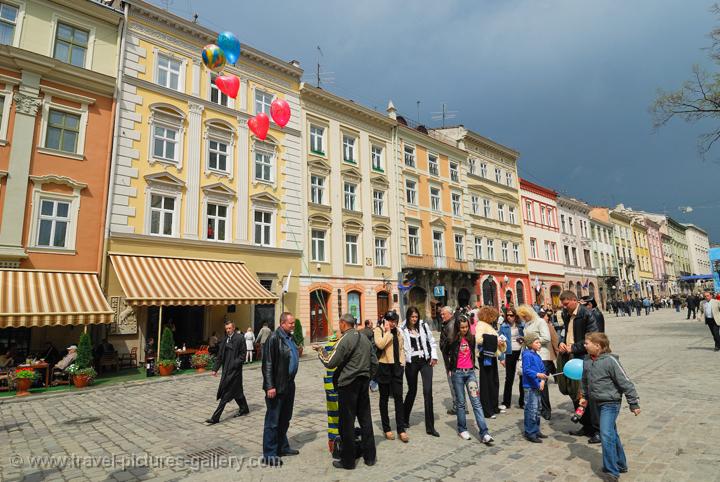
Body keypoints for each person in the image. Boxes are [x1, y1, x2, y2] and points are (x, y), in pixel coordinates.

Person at [315, 313, 378, 470]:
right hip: (363, 383)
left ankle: (348, 461)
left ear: (344, 324)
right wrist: (368, 377)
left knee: (346, 423)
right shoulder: (364, 338)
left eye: (339, 323)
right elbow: (374, 362)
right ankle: (370, 457)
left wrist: (321, 351)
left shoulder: (344, 339)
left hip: (348, 385)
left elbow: (330, 362)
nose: (338, 326)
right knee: (365, 420)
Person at [580, 333, 641, 480]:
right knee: (611, 433)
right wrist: (584, 396)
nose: (584, 345)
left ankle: (612, 471)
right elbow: (584, 380)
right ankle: (621, 464)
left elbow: (625, 382)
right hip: (596, 402)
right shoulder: (586, 360)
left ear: (598, 346)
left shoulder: (611, 361)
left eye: (587, 343)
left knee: (605, 434)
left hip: (610, 403)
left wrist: (633, 403)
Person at [443, 315, 494, 444]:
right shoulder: (452, 340)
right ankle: (462, 428)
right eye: (462, 327)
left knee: (476, 402)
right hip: (458, 374)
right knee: (460, 403)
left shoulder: (471, 338)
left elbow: (472, 352)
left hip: (470, 373)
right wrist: (449, 368)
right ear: (457, 328)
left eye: (466, 327)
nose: (464, 329)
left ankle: (484, 432)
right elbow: (446, 353)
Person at [559, 290, 599, 443]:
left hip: (584, 358)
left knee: (588, 395)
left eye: (566, 304)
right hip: (569, 358)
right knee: (575, 394)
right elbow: (563, 332)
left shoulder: (587, 314)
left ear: (574, 300)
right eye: (563, 305)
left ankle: (597, 430)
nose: (564, 307)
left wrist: (573, 348)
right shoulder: (566, 314)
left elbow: (593, 338)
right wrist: (561, 343)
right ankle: (586, 426)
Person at [261, 312, 300, 467]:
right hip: (277, 386)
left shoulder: (289, 337)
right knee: (273, 421)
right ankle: (270, 454)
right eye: (291, 323)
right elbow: (267, 364)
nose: (293, 326)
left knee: (285, 418)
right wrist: (270, 386)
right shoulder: (274, 338)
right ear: (282, 323)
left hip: (289, 384)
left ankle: (282, 447)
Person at [401, 306, 439, 437]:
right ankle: (404, 418)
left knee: (428, 391)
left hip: (425, 361)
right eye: (412, 317)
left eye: (416, 317)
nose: (414, 319)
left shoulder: (423, 326)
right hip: (411, 363)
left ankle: (430, 427)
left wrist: (434, 356)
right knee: (412, 391)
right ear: (408, 317)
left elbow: (432, 341)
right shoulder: (402, 329)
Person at [374, 311, 408, 442]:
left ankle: (401, 429)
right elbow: (380, 344)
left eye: (394, 321)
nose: (392, 323)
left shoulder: (398, 332)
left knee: (399, 398)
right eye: (390, 320)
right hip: (384, 367)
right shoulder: (379, 330)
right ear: (385, 320)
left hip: (397, 367)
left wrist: (402, 361)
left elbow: (400, 348)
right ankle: (386, 428)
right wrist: (387, 331)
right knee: (384, 399)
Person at [206, 320, 249, 425]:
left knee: (226, 393)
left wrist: (235, 363)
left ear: (233, 328)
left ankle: (215, 417)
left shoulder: (240, 338)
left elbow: (243, 355)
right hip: (226, 371)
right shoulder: (224, 340)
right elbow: (220, 357)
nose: (228, 330)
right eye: (226, 329)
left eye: (230, 328)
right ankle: (244, 408)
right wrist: (215, 369)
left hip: (235, 372)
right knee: (238, 392)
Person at [518, 305, 554, 420]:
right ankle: (538, 407)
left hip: (542, 355)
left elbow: (547, 338)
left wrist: (532, 342)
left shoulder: (540, 322)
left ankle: (546, 409)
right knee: (534, 382)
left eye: (525, 315)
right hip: (531, 355)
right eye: (522, 316)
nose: (524, 318)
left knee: (542, 382)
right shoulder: (527, 324)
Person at [476, 306, 505, 419]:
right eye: (493, 316)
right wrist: (495, 340)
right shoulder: (481, 325)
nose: (494, 318)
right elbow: (479, 339)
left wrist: (500, 342)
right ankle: (487, 410)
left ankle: (494, 406)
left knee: (493, 382)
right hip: (485, 357)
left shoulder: (488, 325)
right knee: (486, 383)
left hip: (491, 356)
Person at [521, 332, 549, 443]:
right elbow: (526, 370)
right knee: (531, 410)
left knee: (538, 409)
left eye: (539, 342)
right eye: (536, 342)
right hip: (530, 386)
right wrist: (537, 375)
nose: (539, 344)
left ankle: (536, 430)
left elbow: (543, 369)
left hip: (537, 386)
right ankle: (530, 432)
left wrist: (542, 381)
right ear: (530, 343)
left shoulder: (537, 355)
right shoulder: (527, 355)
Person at [498, 307, 524, 411]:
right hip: (509, 353)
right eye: (507, 315)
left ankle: (522, 402)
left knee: (522, 376)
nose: (509, 317)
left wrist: (522, 339)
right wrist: (501, 357)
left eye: (511, 315)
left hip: (521, 352)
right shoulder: (504, 326)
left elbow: (526, 336)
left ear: (515, 316)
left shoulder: (521, 325)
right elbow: (500, 342)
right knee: (509, 378)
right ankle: (506, 402)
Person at [438, 305, 459, 414]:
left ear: (450, 314)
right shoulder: (449, 323)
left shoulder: (450, 325)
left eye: (443, 314)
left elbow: (449, 343)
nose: (441, 316)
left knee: (453, 383)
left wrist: (442, 346)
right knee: (457, 384)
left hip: (451, 360)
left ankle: (457, 406)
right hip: (453, 359)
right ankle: (462, 406)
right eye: (441, 314)